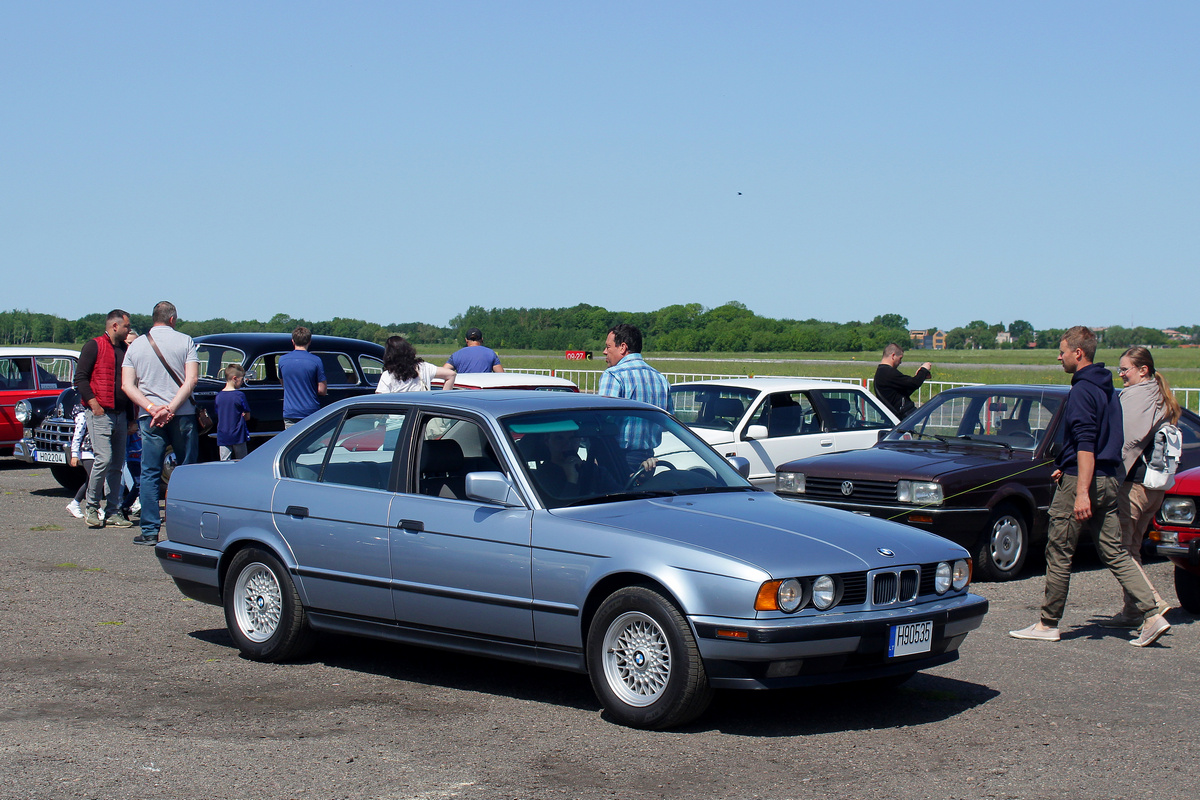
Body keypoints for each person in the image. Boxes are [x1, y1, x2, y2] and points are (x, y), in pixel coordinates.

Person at [1010, 326, 1170, 647]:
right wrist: (1065, 464)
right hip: (1110, 478)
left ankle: (1048, 623)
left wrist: (1080, 489)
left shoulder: (1082, 390)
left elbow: (1086, 444)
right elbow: (1101, 440)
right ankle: (1152, 614)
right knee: (1114, 551)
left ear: (1078, 353)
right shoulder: (1107, 388)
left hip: (1085, 481)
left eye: (1062, 351)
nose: (1059, 356)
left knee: (1059, 550)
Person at [1101, 346, 1180, 627]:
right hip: (1156, 487)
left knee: (1121, 551)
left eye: (1125, 369)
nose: (1121, 374)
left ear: (1142, 370)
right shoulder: (1161, 395)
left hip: (1134, 484)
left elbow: (1126, 441)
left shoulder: (1137, 397)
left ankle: (1152, 603)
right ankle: (1133, 612)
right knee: (1132, 548)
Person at [122, 301, 200, 546]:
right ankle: (186, 531)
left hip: (150, 417)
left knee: (150, 473)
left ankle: (149, 530)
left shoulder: (136, 345)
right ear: (173, 318)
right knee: (187, 472)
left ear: (153, 318)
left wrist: (153, 408)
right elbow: (192, 380)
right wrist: (172, 408)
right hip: (183, 414)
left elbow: (127, 385)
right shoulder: (186, 341)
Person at [73, 309, 134, 529]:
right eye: (127, 326)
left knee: (117, 465)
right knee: (103, 460)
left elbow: (129, 385)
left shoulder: (126, 350)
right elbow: (80, 378)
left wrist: (132, 417)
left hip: (121, 414)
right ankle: (91, 506)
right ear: (115, 326)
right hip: (100, 413)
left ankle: (113, 511)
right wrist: (93, 404)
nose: (129, 330)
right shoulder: (94, 346)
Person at [598, 323, 669, 472]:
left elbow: (601, 420)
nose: (605, 352)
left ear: (623, 347)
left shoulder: (613, 375)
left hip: (616, 458)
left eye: (608, 347)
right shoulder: (660, 378)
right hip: (650, 460)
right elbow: (667, 422)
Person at [279, 327, 326, 428]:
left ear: (293, 341)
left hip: (290, 411)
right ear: (309, 341)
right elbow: (322, 390)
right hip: (310, 411)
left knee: (291, 442)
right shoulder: (316, 360)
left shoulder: (282, 360)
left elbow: (284, 383)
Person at [376, 336, 456, 392]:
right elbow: (451, 374)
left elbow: (381, 401)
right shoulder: (423, 367)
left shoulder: (387, 375)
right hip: (422, 413)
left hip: (397, 416)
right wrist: (441, 401)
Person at [873, 343, 931, 420]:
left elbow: (906, 390)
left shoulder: (882, 372)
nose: (900, 362)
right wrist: (924, 369)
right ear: (893, 356)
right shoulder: (888, 372)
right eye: (900, 358)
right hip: (899, 418)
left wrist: (920, 376)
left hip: (895, 418)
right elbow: (914, 383)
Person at [215, 364, 252, 461]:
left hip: (223, 435)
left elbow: (218, 413)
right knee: (242, 461)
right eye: (241, 379)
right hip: (238, 434)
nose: (242, 382)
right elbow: (247, 416)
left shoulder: (219, 396)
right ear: (235, 378)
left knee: (224, 462)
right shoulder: (239, 395)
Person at [65, 402, 93, 520]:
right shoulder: (83, 415)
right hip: (86, 450)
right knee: (93, 478)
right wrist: (74, 454)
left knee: (91, 480)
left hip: (96, 450)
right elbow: (77, 435)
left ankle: (76, 503)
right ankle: (91, 505)